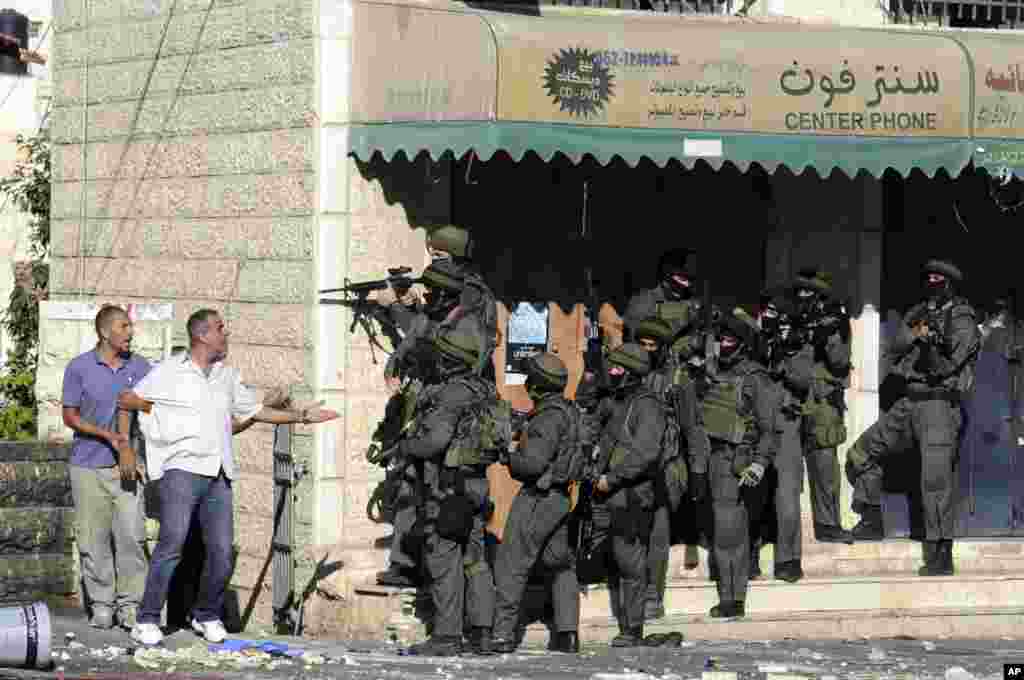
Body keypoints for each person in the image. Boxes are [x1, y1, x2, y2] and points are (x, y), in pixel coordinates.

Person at [115, 309, 340, 646]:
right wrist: (132, 443)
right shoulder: (169, 372)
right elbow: (128, 401)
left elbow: (257, 411)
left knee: (221, 551)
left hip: (218, 474)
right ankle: (147, 618)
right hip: (181, 470)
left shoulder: (226, 376)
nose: (227, 334)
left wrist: (303, 416)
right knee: (171, 545)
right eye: (221, 329)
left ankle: (206, 614)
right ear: (202, 335)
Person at [845, 260, 980, 576]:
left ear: (949, 284)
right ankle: (872, 516)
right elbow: (893, 349)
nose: (932, 282)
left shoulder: (962, 318)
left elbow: (949, 365)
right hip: (909, 403)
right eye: (928, 277)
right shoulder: (917, 312)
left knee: (935, 483)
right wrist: (916, 333)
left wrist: (930, 343)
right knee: (862, 452)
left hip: (938, 405)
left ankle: (939, 552)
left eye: (938, 279)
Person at [395, 328, 496, 657]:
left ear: (450, 360)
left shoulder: (452, 394)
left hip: (449, 488)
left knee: (443, 559)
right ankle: (482, 633)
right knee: (475, 560)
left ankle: (447, 636)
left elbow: (435, 441)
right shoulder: (484, 389)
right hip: (476, 485)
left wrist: (408, 446)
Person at [62, 305, 151, 630]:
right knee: (93, 539)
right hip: (87, 466)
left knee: (131, 536)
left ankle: (131, 606)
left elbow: (154, 406)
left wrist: (137, 413)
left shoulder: (140, 367)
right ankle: (102, 604)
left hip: (127, 467)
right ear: (104, 332)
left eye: (130, 326)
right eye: (123, 326)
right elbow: (70, 416)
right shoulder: (80, 368)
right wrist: (108, 436)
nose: (130, 332)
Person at [492, 353, 582, 654]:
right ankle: (567, 634)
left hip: (539, 497)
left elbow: (531, 465)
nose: (527, 384)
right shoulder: (565, 411)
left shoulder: (548, 417)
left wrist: (508, 456)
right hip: (560, 498)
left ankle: (502, 635)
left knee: (512, 562)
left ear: (540, 384)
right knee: (559, 562)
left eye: (531, 378)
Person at [696, 309, 778, 618]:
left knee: (733, 535)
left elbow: (770, 430)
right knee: (721, 533)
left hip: (740, 463)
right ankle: (729, 596)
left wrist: (759, 464)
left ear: (742, 344)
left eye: (730, 339)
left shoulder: (755, 378)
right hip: (714, 460)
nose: (723, 344)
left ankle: (734, 598)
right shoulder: (712, 373)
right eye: (721, 339)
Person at [631, 317, 707, 638]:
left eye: (653, 346)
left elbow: (692, 427)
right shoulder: (628, 373)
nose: (647, 352)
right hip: (631, 466)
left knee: (657, 537)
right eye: (643, 345)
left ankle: (652, 596)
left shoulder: (678, 380)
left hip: (665, 466)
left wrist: (698, 470)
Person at [590, 343, 666, 647]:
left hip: (631, 495)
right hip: (610, 493)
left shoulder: (647, 405)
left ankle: (633, 628)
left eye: (619, 369)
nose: (612, 372)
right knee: (616, 559)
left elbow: (646, 452)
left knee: (630, 562)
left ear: (633, 373)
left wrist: (613, 477)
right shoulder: (620, 401)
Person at [791, 268, 855, 545]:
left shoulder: (834, 321)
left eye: (809, 292)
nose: (802, 296)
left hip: (822, 402)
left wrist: (828, 334)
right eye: (800, 291)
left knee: (824, 465)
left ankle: (828, 524)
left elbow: (840, 361)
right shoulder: (793, 319)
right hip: (791, 399)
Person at [424, 225, 499, 379]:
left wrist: (397, 307)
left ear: (457, 258)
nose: (433, 261)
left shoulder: (469, 292)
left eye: (438, 256)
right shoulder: (466, 287)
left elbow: (437, 333)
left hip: (462, 381)